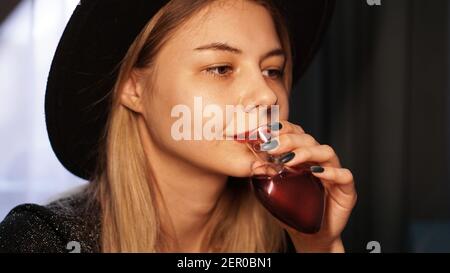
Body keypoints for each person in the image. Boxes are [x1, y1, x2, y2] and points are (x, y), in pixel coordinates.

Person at [0, 0, 356, 253]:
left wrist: (320, 246)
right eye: (220, 68)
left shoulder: (285, 238)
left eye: (273, 70)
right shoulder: (45, 240)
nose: (266, 95)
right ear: (133, 87)